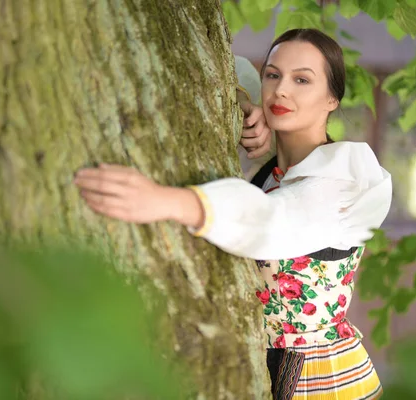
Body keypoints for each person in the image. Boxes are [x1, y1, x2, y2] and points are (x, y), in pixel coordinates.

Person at [74, 28, 391, 400]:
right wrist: (243, 102)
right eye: (273, 75)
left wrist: (167, 200)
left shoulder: (343, 182)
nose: (282, 90)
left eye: (302, 79)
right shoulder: (272, 173)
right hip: (260, 367)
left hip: (322, 382)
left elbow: (270, 221)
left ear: (332, 99)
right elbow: (230, 66)